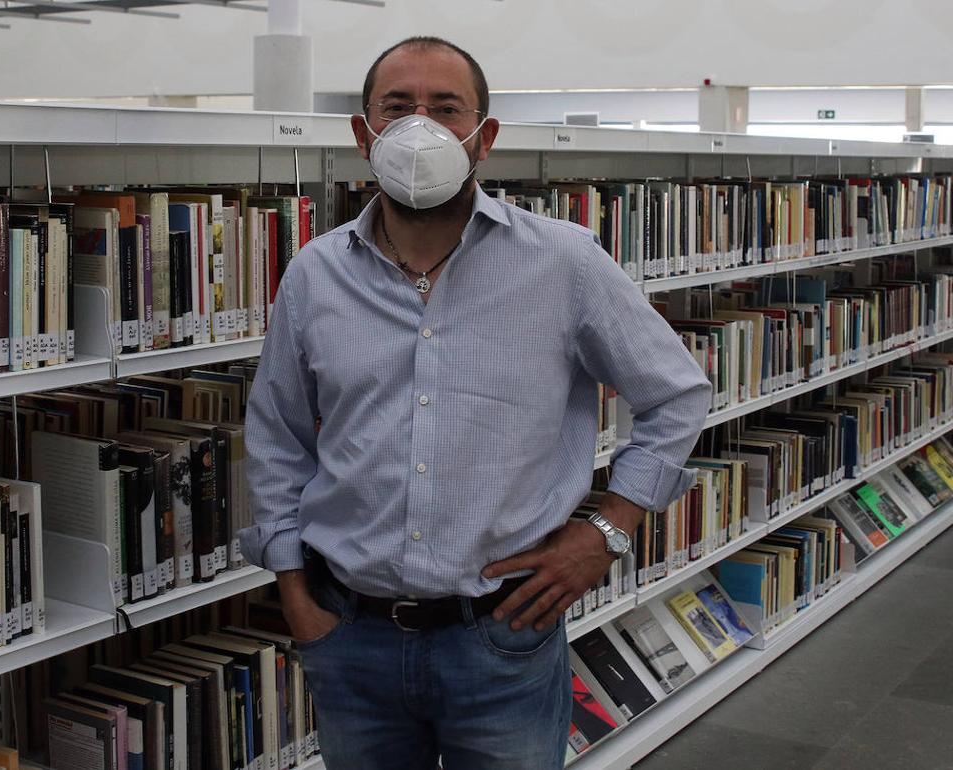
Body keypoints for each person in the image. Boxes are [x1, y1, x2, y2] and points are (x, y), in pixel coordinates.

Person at [239, 36, 712, 770]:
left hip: (501, 637)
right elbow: (276, 437)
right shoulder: (314, 274)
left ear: (483, 137)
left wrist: (609, 529)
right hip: (349, 634)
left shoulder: (564, 261)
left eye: (445, 108)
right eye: (397, 109)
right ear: (363, 136)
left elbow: (677, 395)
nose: (418, 128)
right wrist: (294, 592)